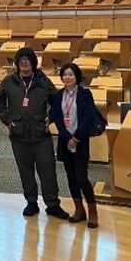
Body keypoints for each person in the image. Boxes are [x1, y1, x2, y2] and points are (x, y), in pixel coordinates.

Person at [0, 47, 70, 219]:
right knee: (25, 171)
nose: (24, 62)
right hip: (18, 135)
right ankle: (31, 202)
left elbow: (57, 102)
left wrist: (50, 118)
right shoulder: (9, 81)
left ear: (33, 62)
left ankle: (52, 204)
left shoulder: (43, 80)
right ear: (17, 63)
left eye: (27, 59)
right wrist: (7, 120)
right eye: (21, 60)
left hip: (40, 135)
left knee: (48, 171)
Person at [50, 62, 99, 228]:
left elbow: (90, 117)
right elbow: (56, 117)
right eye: (65, 74)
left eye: (70, 74)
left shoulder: (85, 94)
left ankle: (92, 211)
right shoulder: (58, 96)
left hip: (80, 141)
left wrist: (76, 137)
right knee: (71, 178)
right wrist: (66, 137)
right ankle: (79, 210)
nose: (67, 77)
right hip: (65, 142)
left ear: (77, 77)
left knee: (81, 177)